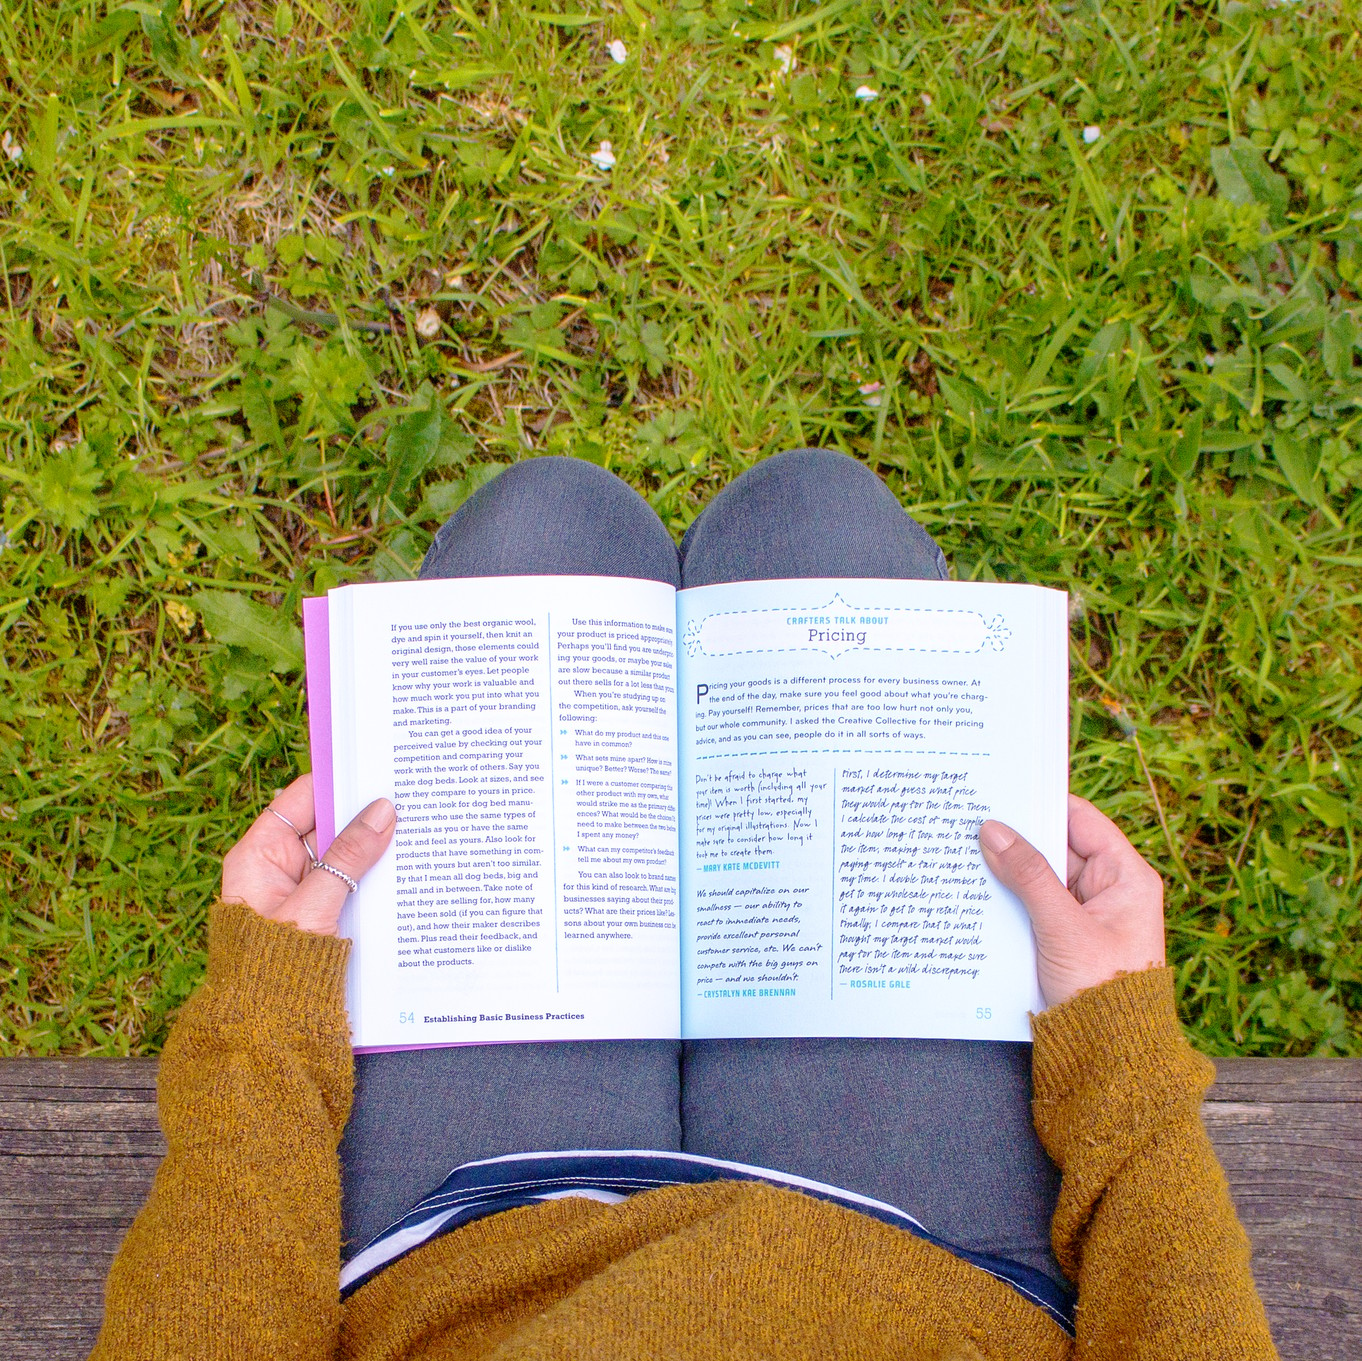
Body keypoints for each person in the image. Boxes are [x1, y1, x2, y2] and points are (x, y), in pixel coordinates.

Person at [90, 450, 1278, 1359]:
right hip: (940, 1265)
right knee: (812, 515)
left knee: (553, 521)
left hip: (461, 1260)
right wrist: (1118, 1038)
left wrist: (260, 1017)